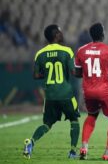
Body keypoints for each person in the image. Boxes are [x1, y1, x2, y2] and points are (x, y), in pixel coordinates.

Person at [23, 25, 80, 159]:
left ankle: (31, 142)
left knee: (47, 124)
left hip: (50, 96)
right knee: (74, 120)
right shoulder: (67, 51)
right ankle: (72, 152)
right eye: (60, 31)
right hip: (66, 94)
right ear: (56, 35)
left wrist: (48, 74)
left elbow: (36, 75)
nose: (62, 33)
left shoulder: (40, 54)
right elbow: (73, 72)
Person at [74, 22, 108, 161]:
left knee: (91, 115)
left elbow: (77, 73)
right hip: (105, 90)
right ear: (102, 34)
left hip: (88, 91)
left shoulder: (81, 50)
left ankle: (84, 147)